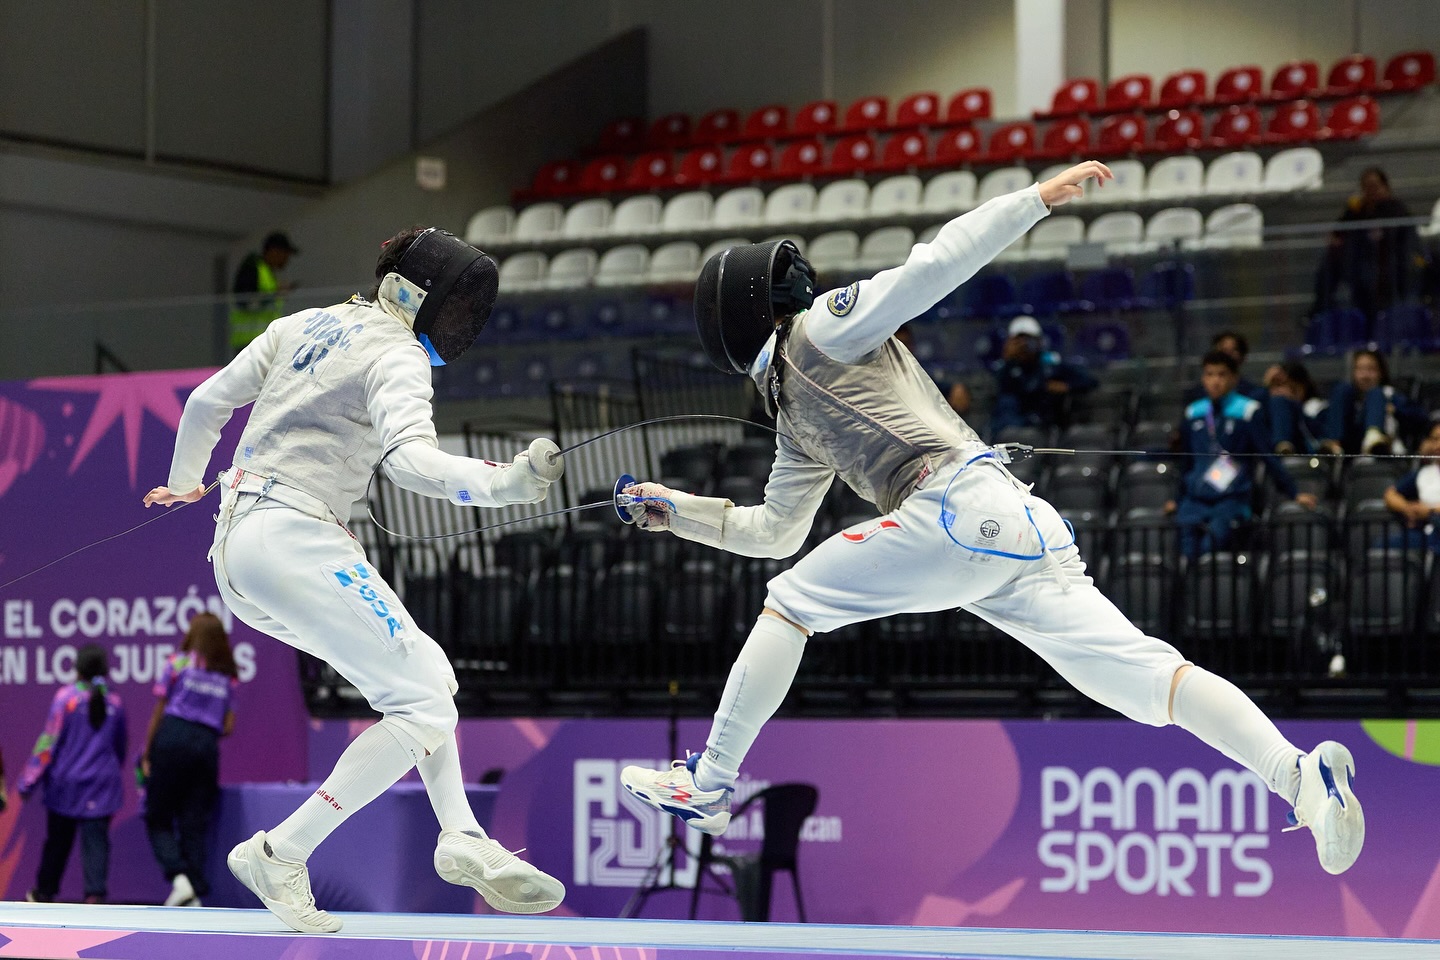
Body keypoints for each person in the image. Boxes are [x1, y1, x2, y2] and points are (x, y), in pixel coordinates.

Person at [614, 160, 1364, 879]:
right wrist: (673, 512)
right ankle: (1298, 776)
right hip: (1009, 522)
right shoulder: (793, 414)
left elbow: (933, 265)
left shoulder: (821, 333)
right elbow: (774, 529)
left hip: (956, 511)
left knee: (792, 602)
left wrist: (1036, 198)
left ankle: (710, 782)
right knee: (1149, 681)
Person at [144, 226, 567, 933]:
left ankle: (460, 833)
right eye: (459, 305)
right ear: (424, 297)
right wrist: (507, 484)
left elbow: (204, 405)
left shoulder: (302, 323)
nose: (462, 323)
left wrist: (186, 482)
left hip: (237, 553)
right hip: (295, 539)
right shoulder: (399, 353)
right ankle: (284, 849)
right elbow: (410, 463)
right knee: (424, 703)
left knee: (426, 680)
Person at [1165, 350, 1318, 558]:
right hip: (1195, 500)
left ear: (1234, 378)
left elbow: (1267, 456)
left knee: (1211, 550)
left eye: (1221, 374)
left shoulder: (1247, 411)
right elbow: (1187, 461)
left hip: (1231, 500)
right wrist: (1177, 497)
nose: (1215, 381)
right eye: (1209, 374)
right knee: (1186, 552)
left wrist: (1293, 492)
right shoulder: (1194, 412)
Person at [141, 612, 239, 908]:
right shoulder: (228, 675)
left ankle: (179, 878)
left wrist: (148, 753)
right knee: (193, 823)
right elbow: (228, 726)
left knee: (156, 817)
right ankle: (193, 894)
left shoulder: (178, 663)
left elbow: (160, 710)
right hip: (206, 746)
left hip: (172, 738)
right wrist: (202, 737)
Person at [17, 644, 127, 904]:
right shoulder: (115, 702)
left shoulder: (65, 699)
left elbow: (48, 742)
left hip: (66, 787)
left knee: (57, 844)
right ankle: (95, 898)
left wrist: (28, 782)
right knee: (96, 846)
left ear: (77, 669)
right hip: (102, 787)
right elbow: (120, 748)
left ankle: (43, 895)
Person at [1313, 167, 1417, 330]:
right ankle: (1321, 308)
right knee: (1329, 266)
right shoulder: (1357, 209)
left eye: (1374, 186)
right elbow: (1337, 232)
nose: (1370, 191)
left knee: (1369, 277)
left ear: (1385, 187)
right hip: (1357, 264)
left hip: (1389, 266)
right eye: (1366, 187)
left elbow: (1405, 241)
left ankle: (1375, 325)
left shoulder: (1396, 209)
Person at [987, 314, 1096, 438]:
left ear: (1039, 341)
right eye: (1018, 341)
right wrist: (1008, 359)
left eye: (1028, 339)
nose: (1024, 345)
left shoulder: (1050, 363)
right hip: (1013, 422)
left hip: (1042, 422)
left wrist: (1066, 386)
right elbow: (998, 385)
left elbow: (1089, 380)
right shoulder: (1005, 367)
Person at [1319, 348, 1424, 455]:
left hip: (1382, 451)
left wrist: (1396, 410)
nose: (1365, 376)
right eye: (1360, 369)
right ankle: (1333, 444)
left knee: (1376, 393)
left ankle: (1373, 438)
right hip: (1346, 449)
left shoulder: (1390, 395)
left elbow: (1421, 418)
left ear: (1381, 372)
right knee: (1341, 389)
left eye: (1371, 369)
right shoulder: (1344, 398)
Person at [230, 232, 299, 354]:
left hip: (263, 340)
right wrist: (274, 295)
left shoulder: (267, 271)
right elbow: (244, 302)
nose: (286, 259)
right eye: (285, 254)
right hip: (250, 343)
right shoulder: (253, 267)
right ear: (274, 251)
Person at [1383, 420, 1440, 553]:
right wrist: (1407, 508)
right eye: (1435, 439)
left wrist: (1430, 511)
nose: (1438, 445)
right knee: (1382, 546)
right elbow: (1390, 495)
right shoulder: (1424, 473)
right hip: (1428, 533)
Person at [895, 323, 972, 416]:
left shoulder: (919, 369)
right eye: (897, 346)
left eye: (906, 344)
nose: (902, 349)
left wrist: (956, 387)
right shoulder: (879, 371)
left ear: (913, 346)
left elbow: (935, 383)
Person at [1264, 360, 1328, 455]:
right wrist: (1266, 386)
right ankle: (1283, 446)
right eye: (1280, 386)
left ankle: (1284, 445)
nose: (1284, 392)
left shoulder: (1317, 406)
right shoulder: (1273, 405)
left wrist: (1293, 404)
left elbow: (1319, 434)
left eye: (1291, 387)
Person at [1185, 331, 1266, 404]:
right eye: (1224, 350)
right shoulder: (1196, 396)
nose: (1228, 354)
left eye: (1234, 350)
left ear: (1243, 357)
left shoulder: (1254, 394)